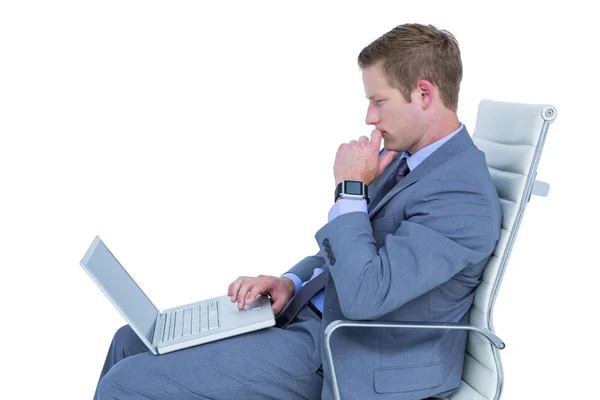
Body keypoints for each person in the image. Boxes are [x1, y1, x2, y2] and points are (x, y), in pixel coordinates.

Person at [93, 23, 502, 400]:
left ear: (424, 94)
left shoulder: (462, 195)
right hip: (314, 322)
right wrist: (291, 281)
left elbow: (364, 294)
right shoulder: (406, 159)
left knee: (126, 384)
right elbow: (347, 252)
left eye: (379, 101)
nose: (369, 117)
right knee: (130, 340)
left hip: (348, 354)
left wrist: (351, 190)